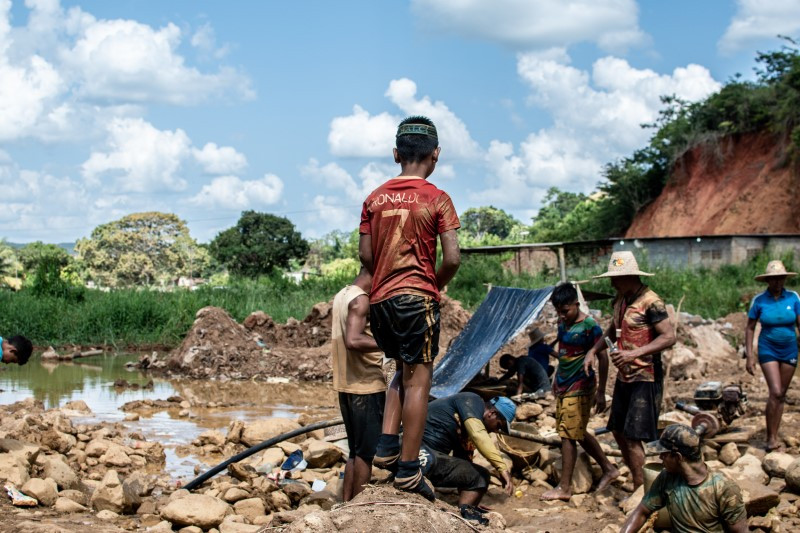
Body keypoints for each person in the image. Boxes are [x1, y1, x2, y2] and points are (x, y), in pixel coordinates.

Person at [359, 116, 461, 500]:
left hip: (380, 300)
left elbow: (366, 255)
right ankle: (407, 469)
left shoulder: (374, 198)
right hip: (416, 297)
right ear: (435, 155)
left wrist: (384, 277)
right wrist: (433, 284)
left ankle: (386, 446)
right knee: (421, 381)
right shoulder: (437, 198)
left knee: (400, 371)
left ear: (395, 154)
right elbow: (452, 257)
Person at [586, 251, 676, 491]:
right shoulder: (620, 300)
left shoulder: (651, 302)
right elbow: (612, 328)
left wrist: (633, 353)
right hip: (625, 375)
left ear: (629, 276)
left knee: (634, 435)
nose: (612, 282)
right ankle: (638, 477)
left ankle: (641, 489)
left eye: (616, 277)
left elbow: (669, 336)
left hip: (645, 376)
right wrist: (594, 350)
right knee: (616, 429)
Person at [541, 283, 619, 501]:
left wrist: (602, 391)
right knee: (577, 431)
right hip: (564, 384)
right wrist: (557, 379)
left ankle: (564, 488)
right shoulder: (563, 323)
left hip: (581, 385)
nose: (562, 316)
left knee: (567, 434)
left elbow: (603, 357)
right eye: (558, 312)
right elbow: (564, 354)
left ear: (576, 304)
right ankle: (609, 468)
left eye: (565, 311)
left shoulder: (589, 326)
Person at [620, 424, 748, 533]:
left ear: (678, 457)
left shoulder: (723, 488)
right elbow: (642, 511)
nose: (660, 458)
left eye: (664, 455)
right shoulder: (667, 477)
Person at [331, 267, 386, 500]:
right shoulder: (361, 300)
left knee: (355, 451)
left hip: (347, 384)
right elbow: (353, 340)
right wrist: (390, 344)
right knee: (366, 454)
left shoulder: (343, 294)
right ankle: (358, 509)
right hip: (366, 385)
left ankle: (346, 504)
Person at [418, 393, 515, 525]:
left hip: (426, 456)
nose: (496, 431)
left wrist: (472, 504)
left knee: (475, 475)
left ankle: (466, 512)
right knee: (481, 475)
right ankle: (465, 520)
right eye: (498, 425)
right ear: (492, 413)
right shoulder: (472, 400)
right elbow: (479, 435)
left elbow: (465, 468)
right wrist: (502, 468)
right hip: (415, 451)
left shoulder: (464, 426)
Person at [745, 259, 800, 451]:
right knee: (775, 391)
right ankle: (770, 438)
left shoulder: (793, 298)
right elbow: (750, 328)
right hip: (768, 348)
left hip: (790, 349)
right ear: (767, 281)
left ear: (784, 279)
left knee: (782, 395)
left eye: (780, 278)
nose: (777, 282)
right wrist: (750, 356)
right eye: (773, 279)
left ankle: (774, 435)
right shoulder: (759, 301)